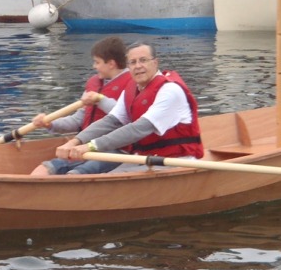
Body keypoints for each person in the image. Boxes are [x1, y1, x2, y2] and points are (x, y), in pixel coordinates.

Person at [38, 42, 203, 177]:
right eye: (133, 62)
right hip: (144, 158)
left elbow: (140, 128)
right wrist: (76, 141)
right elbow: (112, 121)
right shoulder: (132, 88)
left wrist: (91, 146)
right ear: (128, 66)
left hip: (175, 162)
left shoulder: (170, 91)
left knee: (88, 178)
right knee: (78, 175)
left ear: (155, 62)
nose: (138, 66)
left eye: (143, 60)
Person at [29, 36, 132, 176]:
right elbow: (78, 120)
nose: (94, 66)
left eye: (97, 62)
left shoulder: (132, 84)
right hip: (84, 145)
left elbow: (127, 116)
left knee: (78, 173)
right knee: (45, 169)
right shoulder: (95, 84)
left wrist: (100, 100)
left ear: (111, 64)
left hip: (115, 148)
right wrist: (49, 124)